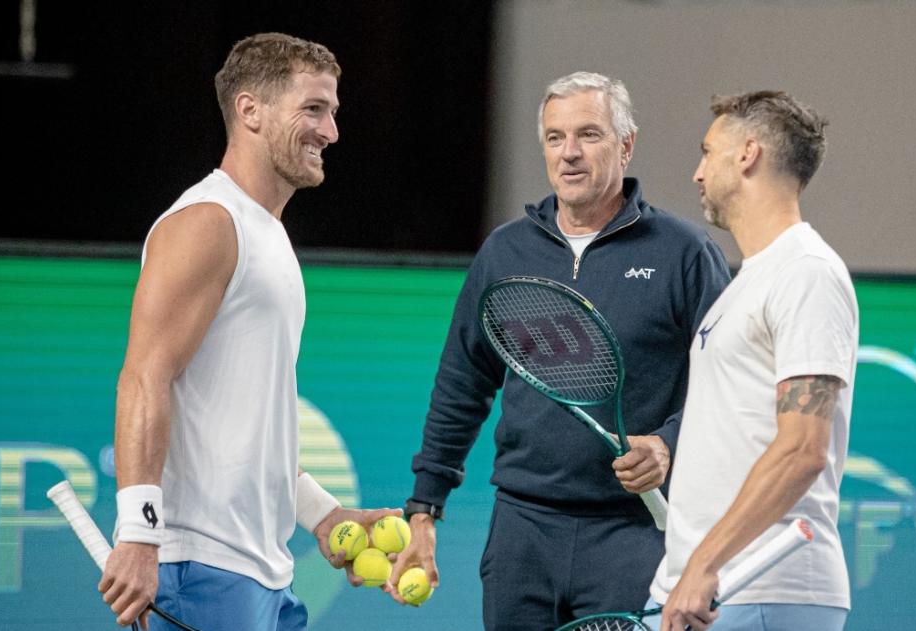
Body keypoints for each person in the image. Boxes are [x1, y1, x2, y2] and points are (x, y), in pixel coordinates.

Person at [390, 71, 731, 630]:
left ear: (627, 144)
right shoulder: (505, 252)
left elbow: (728, 389)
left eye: (589, 135)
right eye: (555, 137)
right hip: (523, 530)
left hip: (635, 533)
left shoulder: (685, 254)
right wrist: (425, 507)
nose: (569, 154)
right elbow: (462, 383)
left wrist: (669, 444)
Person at [98, 33, 400, 630]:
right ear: (250, 110)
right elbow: (142, 376)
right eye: (313, 109)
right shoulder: (208, 222)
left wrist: (323, 514)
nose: (331, 131)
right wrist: (137, 533)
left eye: (333, 112)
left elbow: (242, 429)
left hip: (261, 573)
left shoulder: (270, 237)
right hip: (200, 569)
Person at [649, 91, 858, 631]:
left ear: (747, 154)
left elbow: (802, 450)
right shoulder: (749, 282)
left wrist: (705, 562)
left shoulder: (807, 273)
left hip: (760, 585)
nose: (697, 174)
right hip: (708, 589)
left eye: (707, 151)